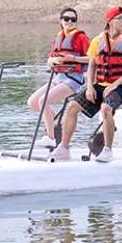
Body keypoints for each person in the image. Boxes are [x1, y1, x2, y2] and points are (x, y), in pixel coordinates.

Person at [48, 6, 122, 162]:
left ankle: (107, 150)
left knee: (106, 108)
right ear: (110, 21)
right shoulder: (98, 41)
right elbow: (92, 64)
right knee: (72, 107)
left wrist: (115, 85)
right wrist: (90, 86)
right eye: (120, 18)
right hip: (100, 84)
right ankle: (64, 148)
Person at [27, 8, 90, 147]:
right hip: (58, 77)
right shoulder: (58, 37)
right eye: (66, 19)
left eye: (73, 19)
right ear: (61, 20)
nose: (69, 22)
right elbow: (50, 58)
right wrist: (52, 61)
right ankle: (59, 122)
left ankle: (50, 136)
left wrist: (73, 58)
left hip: (73, 79)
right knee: (32, 102)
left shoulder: (81, 37)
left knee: (43, 101)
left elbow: (93, 58)